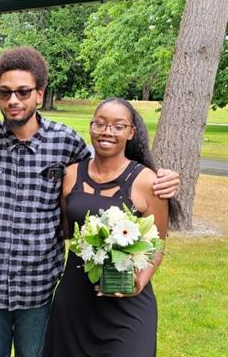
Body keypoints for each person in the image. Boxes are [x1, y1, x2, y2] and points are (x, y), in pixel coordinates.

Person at [0, 46, 180, 357]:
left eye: (23, 92)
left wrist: (161, 177)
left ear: (40, 94)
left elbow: (105, 174)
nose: (13, 100)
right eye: (5, 93)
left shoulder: (66, 142)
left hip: (39, 289)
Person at [44, 98, 169, 356]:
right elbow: (66, 230)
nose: (107, 132)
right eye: (99, 124)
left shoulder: (148, 182)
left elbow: (157, 246)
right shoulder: (70, 175)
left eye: (118, 126)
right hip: (74, 301)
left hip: (126, 303)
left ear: (131, 132)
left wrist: (139, 282)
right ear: (90, 127)